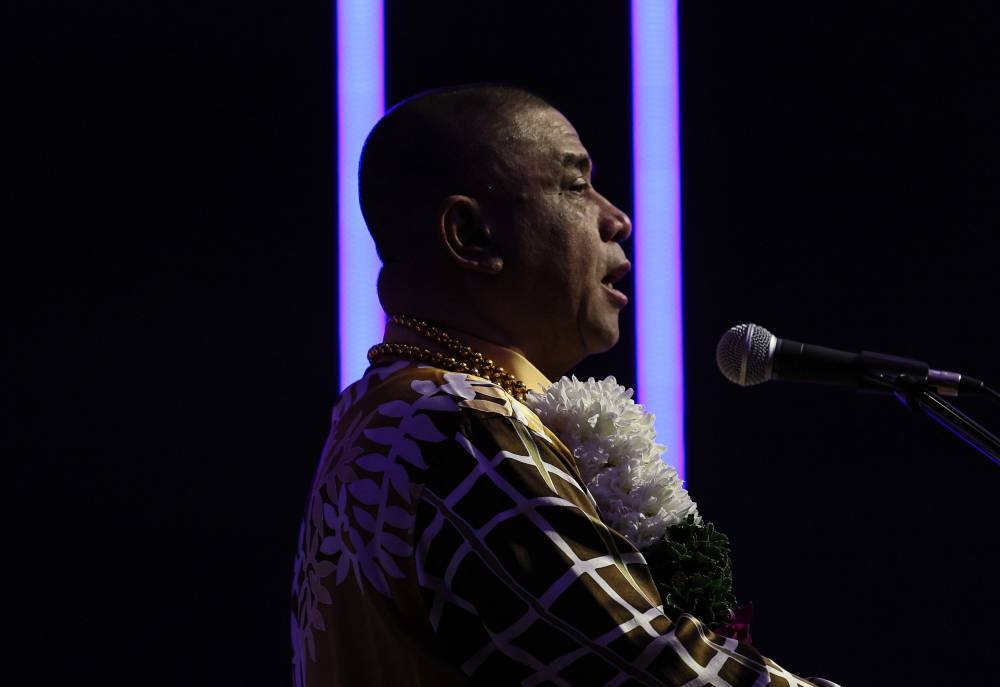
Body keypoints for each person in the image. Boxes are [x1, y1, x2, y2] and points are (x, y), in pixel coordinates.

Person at [291, 85, 829, 686]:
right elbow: (649, 670)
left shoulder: (383, 413)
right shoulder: (461, 425)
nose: (616, 218)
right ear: (471, 235)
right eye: (576, 186)